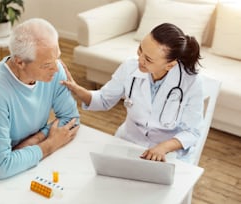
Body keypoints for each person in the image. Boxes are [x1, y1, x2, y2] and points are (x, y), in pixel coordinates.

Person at [61, 23, 204, 162]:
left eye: (148, 59)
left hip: (168, 153)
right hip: (128, 141)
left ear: (170, 65)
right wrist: (77, 89)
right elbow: (104, 99)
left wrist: (163, 147)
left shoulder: (190, 83)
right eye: (140, 50)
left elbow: (192, 132)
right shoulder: (130, 66)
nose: (140, 60)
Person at [0, 18, 80, 191]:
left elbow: (71, 119)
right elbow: (2, 167)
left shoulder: (54, 70)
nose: (56, 69)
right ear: (19, 62)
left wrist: (34, 141)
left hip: (30, 154)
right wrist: (49, 144)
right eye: (47, 64)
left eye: (57, 58)